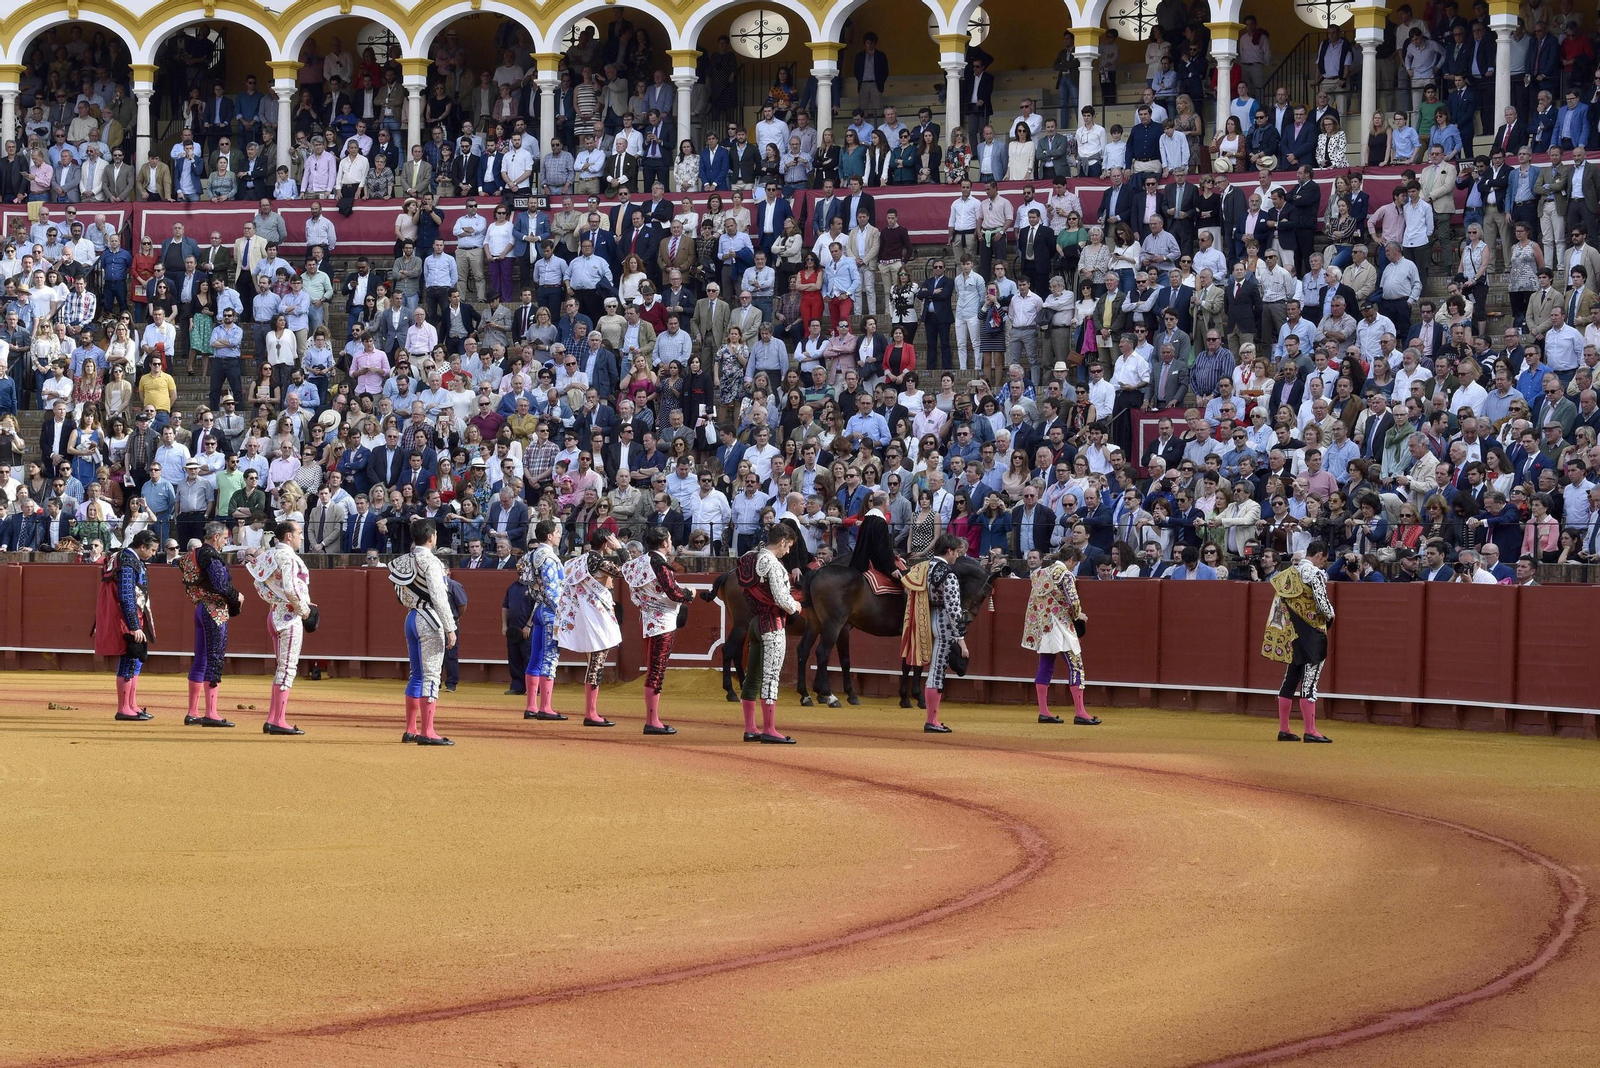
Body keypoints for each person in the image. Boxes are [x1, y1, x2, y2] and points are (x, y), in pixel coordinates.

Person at [390, 517, 458, 745]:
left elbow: (399, 595)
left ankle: (411, 729)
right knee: (431, 675)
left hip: (411, 617)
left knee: (417, 674)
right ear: (431, 537)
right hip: (429, 619)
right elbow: (439, 597)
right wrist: (450, 627)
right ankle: (428, 731)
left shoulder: (403, 561)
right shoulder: (432, 562)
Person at [622, 524, 694, 735]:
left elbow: (627, 572)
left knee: (655, 668)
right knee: (657, 670)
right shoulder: (659, 564)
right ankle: (652, 721)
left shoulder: (641, 561)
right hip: (662, 623)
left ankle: (652, 719)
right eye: (670, 539)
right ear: (664, 543)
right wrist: (689, 594)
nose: (671, 542)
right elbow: (673, 592)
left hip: (648, 619)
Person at [1261, 538, 1335, 742]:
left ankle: (1284, 729)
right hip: (1313, 634)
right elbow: (1323, 606)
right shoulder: (1315, 574)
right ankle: (1310, 730)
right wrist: (1331, 616)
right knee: (1309, 682)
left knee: (1291, 678)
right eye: (1324, 560)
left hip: (1293, 633)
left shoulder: (1289, 573)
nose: (1323, 565)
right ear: (1319, 555)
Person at [736, 523, 802, 743]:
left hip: (755, 623)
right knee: (771, 676)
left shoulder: (749, 557)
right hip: (772, 624)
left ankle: (750, 728)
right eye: (788, 546)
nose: (788, 551)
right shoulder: (774, 564)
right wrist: (795, 607)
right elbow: (781, 599)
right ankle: (769, 729)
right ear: (782, 541)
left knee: (752, 676)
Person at [247, 520, 314, 736]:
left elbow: (258, 583)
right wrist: (303, 609)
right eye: (299, 533)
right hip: (289, 618)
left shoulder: (269, 555)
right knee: (287, 668)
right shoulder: (289, 558)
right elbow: (291, 587)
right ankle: (278, 720)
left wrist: (275, 600)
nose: (301, 537)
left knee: (281, 668)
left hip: (274, 613)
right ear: (289, 536)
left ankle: (272, 719)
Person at [1021, 542, 1098, 725]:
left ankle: (1043, 712)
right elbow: (1073, 601)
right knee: (1076, 665)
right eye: (1075, 563)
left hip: (1044, 626)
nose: (1074, 566)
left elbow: (1033, 602)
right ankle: (1080, 712)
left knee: (1045, 665)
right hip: (1061, 626)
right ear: (1070, 560)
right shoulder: (1065, 574)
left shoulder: (1039, 573)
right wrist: (1079, 616)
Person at [558, 528, 626, 728]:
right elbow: (629, 571)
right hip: (597, 617)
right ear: (605, 544)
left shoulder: (579, 561)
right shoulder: (599, 561)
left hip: (585, 615)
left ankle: (591, 712)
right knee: (596, 663)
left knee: (594, 662)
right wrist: (620, 549)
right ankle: (591, 713)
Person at [180, 521, 242, 727]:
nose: (226, 542)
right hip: (215, 610)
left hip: (200, 608)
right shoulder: (211, 556)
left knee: (201, 659)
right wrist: (237, 596)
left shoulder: (194, 555)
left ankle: (192, 712)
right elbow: (221, 585)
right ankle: (211, 713)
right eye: (224, 538)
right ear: (215, 537)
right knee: (214, 659)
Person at [904, 533, 969, 733]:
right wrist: (961, 639)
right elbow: (954, 609)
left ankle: (933, 719)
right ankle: (932, 720)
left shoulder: (924, 568)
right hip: (943, 624)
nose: (957, 556)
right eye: (956, 552)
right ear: (948, 551)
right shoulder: (948, 574)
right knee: (937, 671)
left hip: (927, 618)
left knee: (935, 670)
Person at [95, 529, 158, 721]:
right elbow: (126, 595)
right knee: (129, 659)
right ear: (142, 547)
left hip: (130, 616)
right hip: (127, 619)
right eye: (152, 550)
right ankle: (123, 708)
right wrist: (134, 625)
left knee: (135, 660)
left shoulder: (128, 558)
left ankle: (131, 704)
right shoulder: (128, 561)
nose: (154, 554)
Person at [520, 518, 568, 720]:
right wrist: (562, 613)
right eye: (557, 533)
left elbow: (526, 580)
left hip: (538, 608)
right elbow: (552, 589)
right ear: (549, 536)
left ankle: (531, 706)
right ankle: (545, 707)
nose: (559, 535)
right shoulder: (548, 558)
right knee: (549, 657)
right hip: (550, 612)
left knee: (536, 658)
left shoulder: (530, 555)